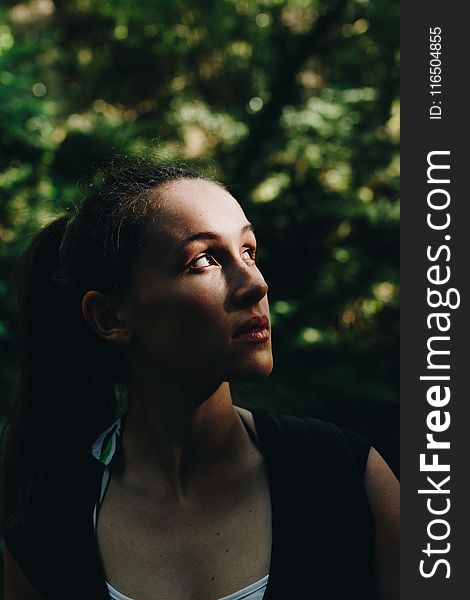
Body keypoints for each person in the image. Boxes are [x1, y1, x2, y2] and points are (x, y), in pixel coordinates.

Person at [1, 160, 399, 600]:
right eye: (204, 260)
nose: (256, 284)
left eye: (248, 251)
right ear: (110, 317)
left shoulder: (346, 478)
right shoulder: (48, 528)